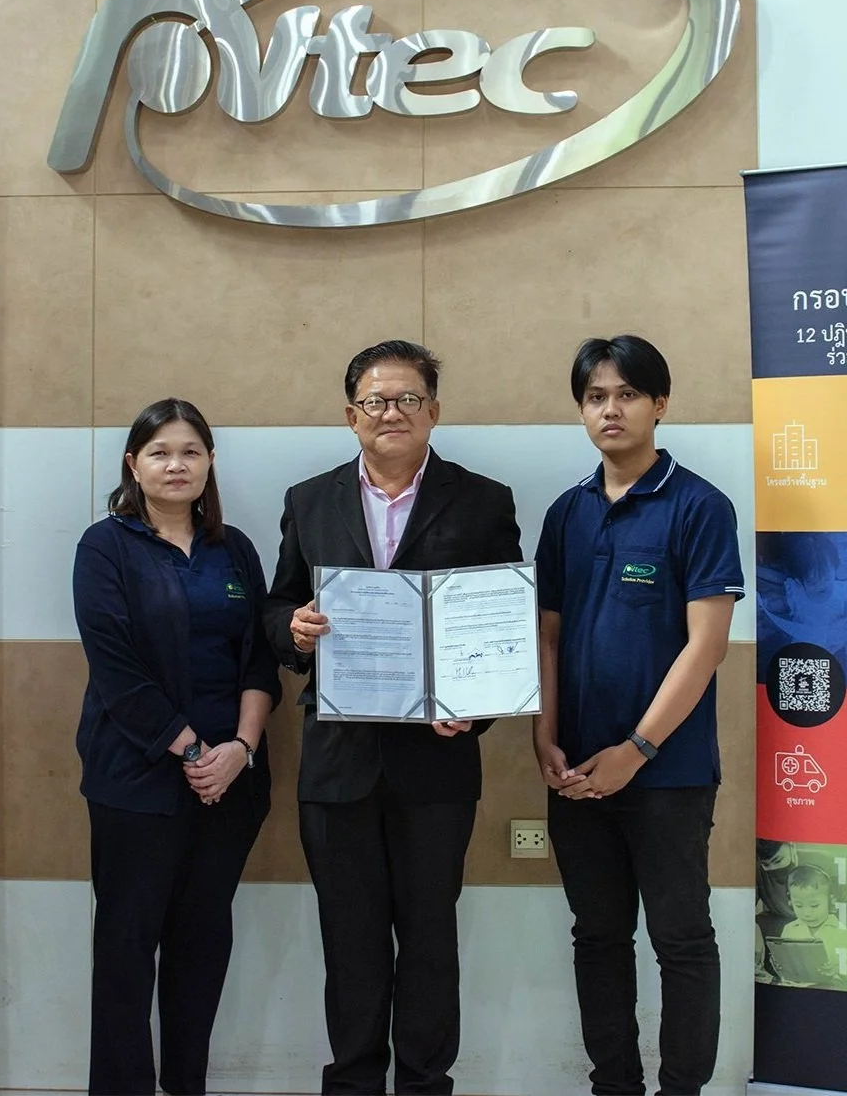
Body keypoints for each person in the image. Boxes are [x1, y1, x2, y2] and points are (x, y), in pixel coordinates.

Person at [265, 339, 520, 1095]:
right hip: (338, 761)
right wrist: (294, 630)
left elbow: (502, 623)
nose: (392, 412)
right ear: (352, 416)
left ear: (434, 411)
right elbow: (277, 604)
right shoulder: (308, 500)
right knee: (349, 941)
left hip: (437, 763)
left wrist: (474, 713)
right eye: (376, 400)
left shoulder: (483, 500)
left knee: (431, 939)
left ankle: (423, 1083)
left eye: (409, 398)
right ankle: (350, 1082)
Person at [533, 334, 744, 1096]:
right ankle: (612, 1085)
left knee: (682, 940)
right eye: (595, 396)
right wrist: (544, 735)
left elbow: (706, 645)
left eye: (626, 394)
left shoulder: (699, 506)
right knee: (597, 939)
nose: (610, 409)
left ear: (659, 403)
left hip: (669, 774)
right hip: (576, 772)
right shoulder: (566, 513)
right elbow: (547, 635)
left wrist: (637, 748)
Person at [73, 398, 280, 1096]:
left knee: (201, 947)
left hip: (231, 785)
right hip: (136, 783)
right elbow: (118, 670)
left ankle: (186, 1083)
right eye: (160, 451)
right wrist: (196, 754)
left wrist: (240, 751)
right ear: (134, 463)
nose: (176, 464)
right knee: (127, 953)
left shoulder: (236, 549)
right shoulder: (106, 547)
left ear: (210, 463)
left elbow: (260, 662)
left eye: (190, 451)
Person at [776, 865, 847, 986]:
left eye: (814, 905)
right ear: (790, 902)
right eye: (798, 905)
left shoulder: (839, 931)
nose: (807, 913)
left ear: (830, 900)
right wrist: (779, 965)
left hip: (829, 989)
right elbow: (784, 967)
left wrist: (839, 969)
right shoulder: (789, 929)